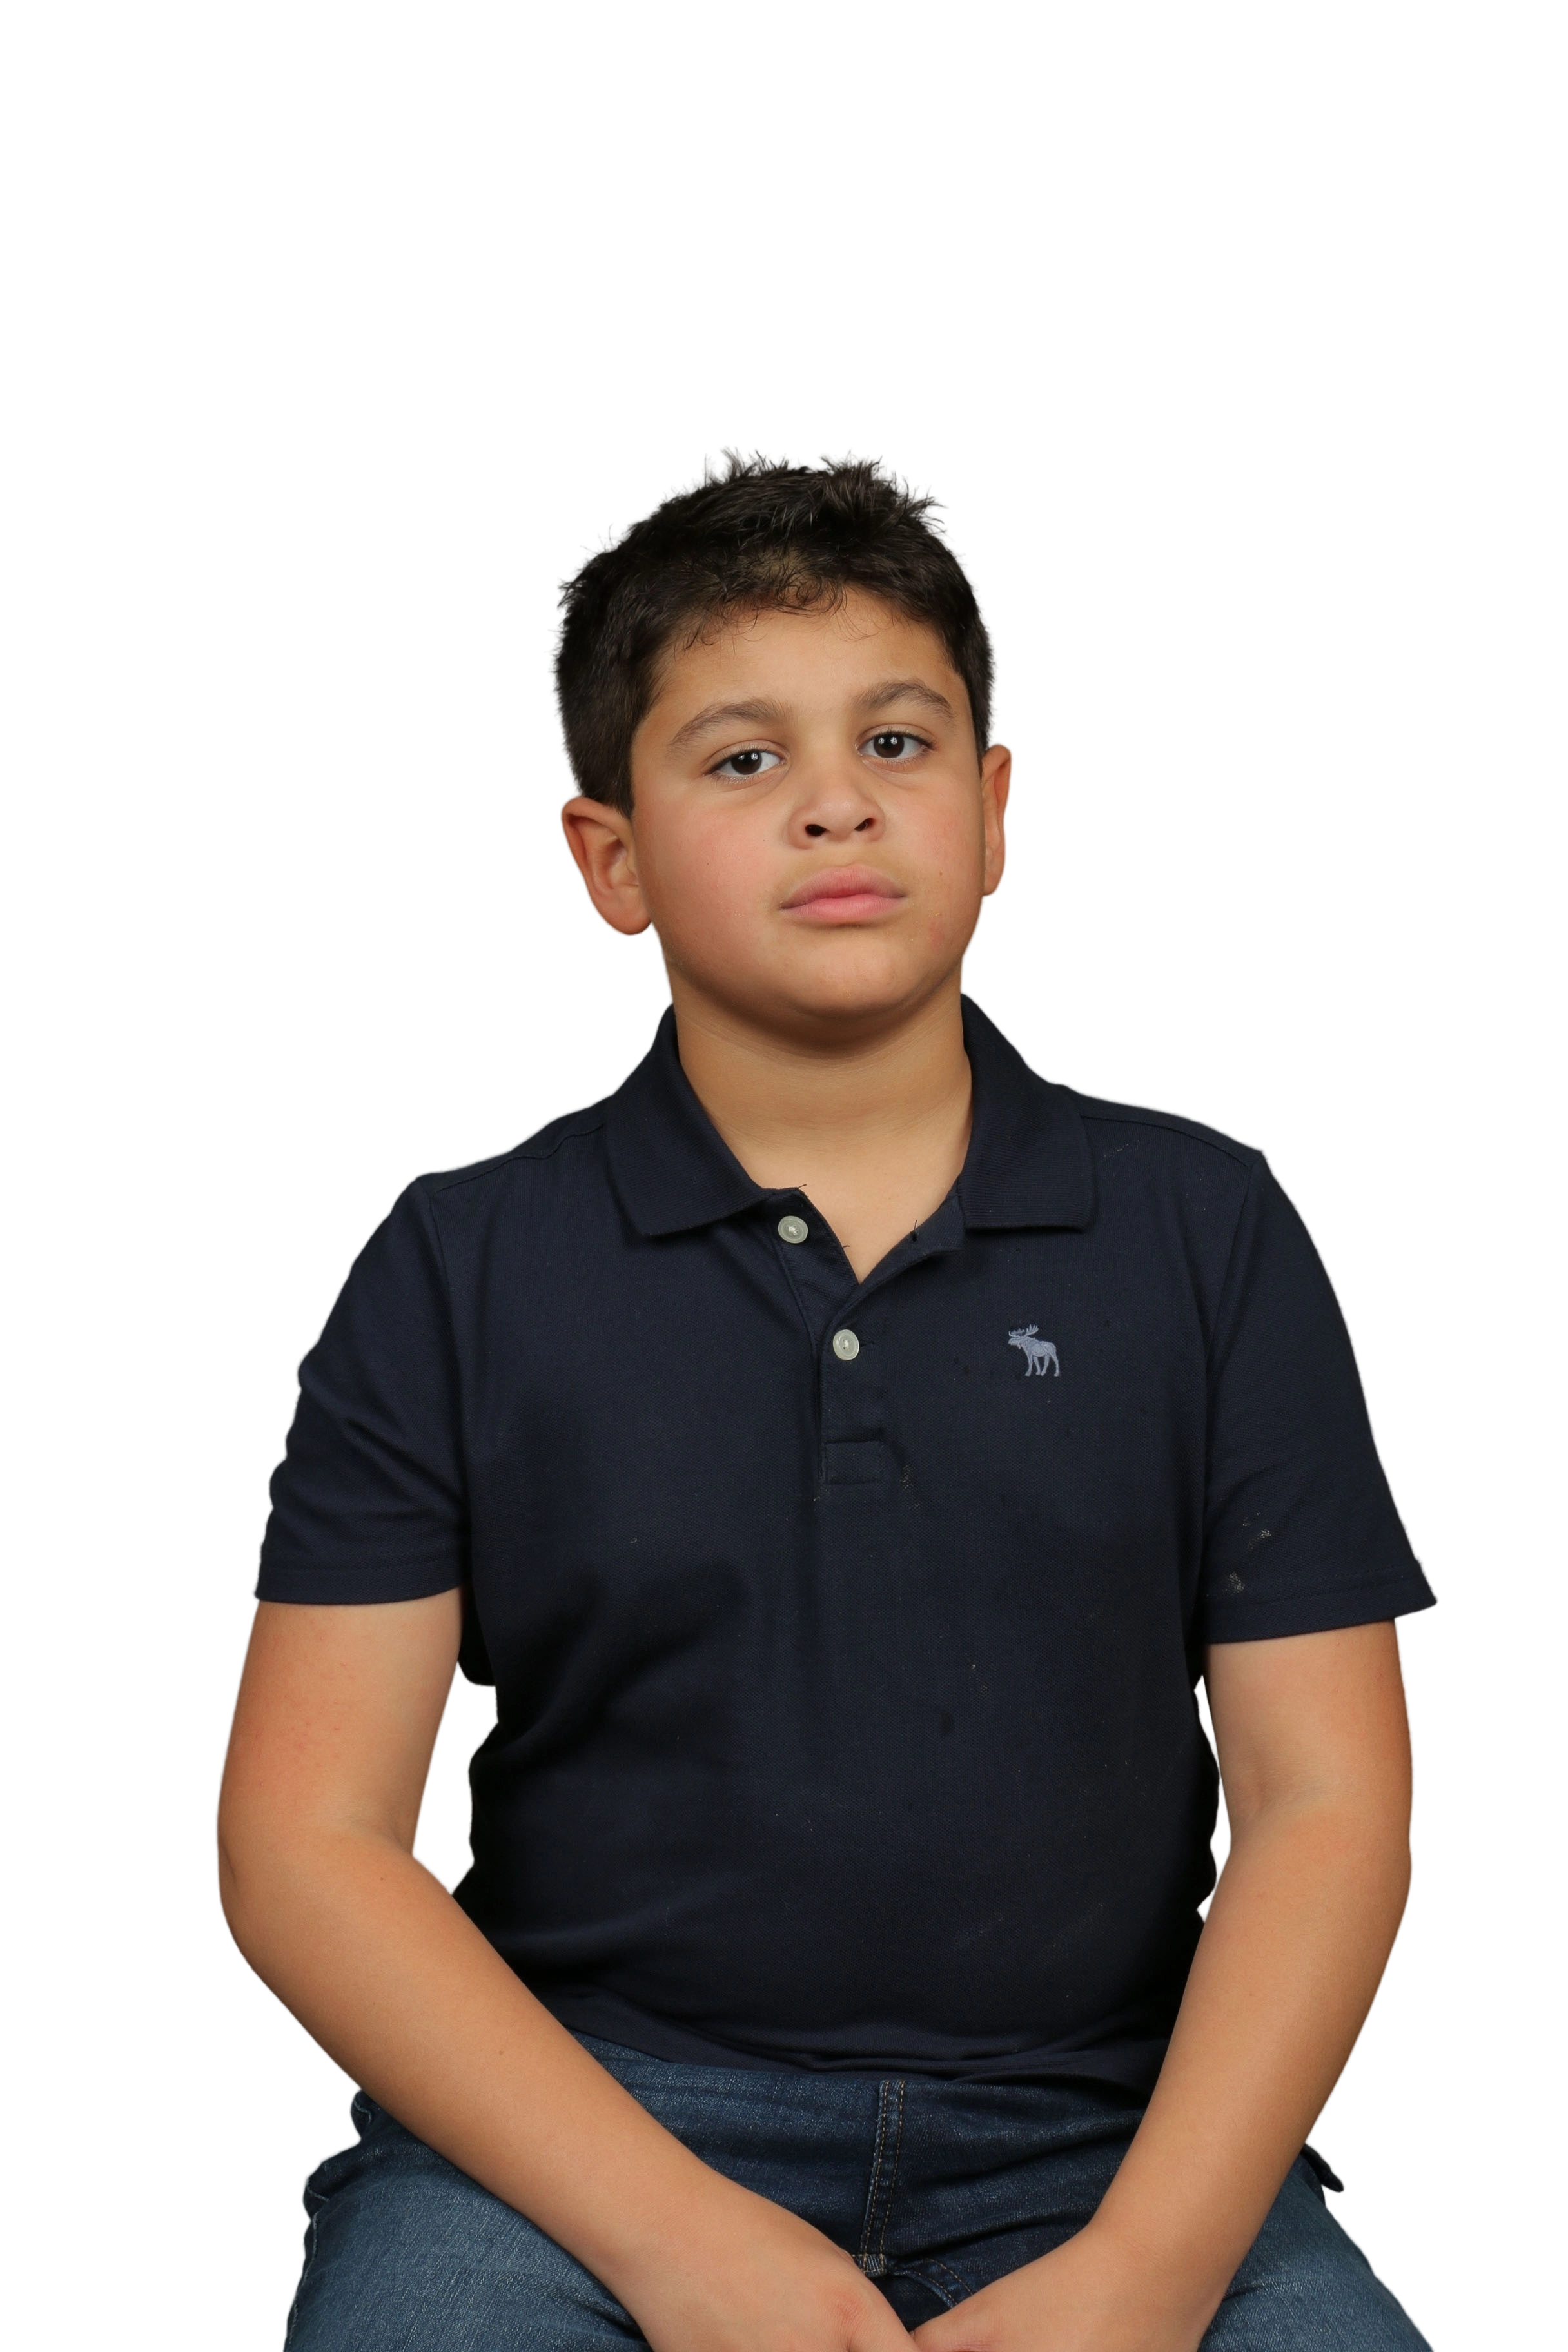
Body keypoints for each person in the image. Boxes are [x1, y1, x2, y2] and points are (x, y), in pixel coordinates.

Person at [213, 444, 1442, 2351]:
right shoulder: (458, 1265)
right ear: (610, 859)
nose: (835, 805)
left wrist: (1148, 2269)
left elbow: (1327, 1800)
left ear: (999, 808)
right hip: (580, 2138)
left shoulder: (1211, 1230)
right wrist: (678, 2243)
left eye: (896, 741)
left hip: (1114, 2141)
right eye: (740, 759)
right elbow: (307, 1840)